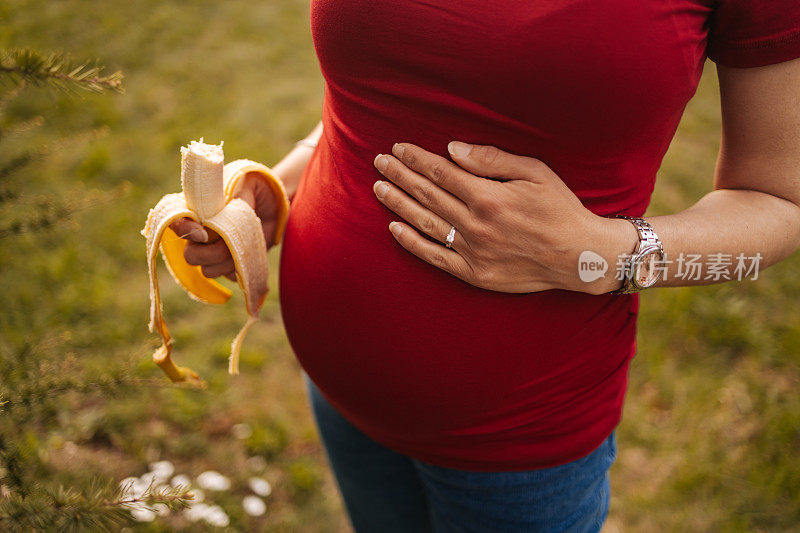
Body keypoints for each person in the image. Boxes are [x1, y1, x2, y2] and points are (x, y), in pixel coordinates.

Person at [169, 1, 800, 531]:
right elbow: (379, 94)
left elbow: (782, 202)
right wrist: (285, 187)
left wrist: (600, 254)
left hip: (520, 445)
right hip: (339, 390)